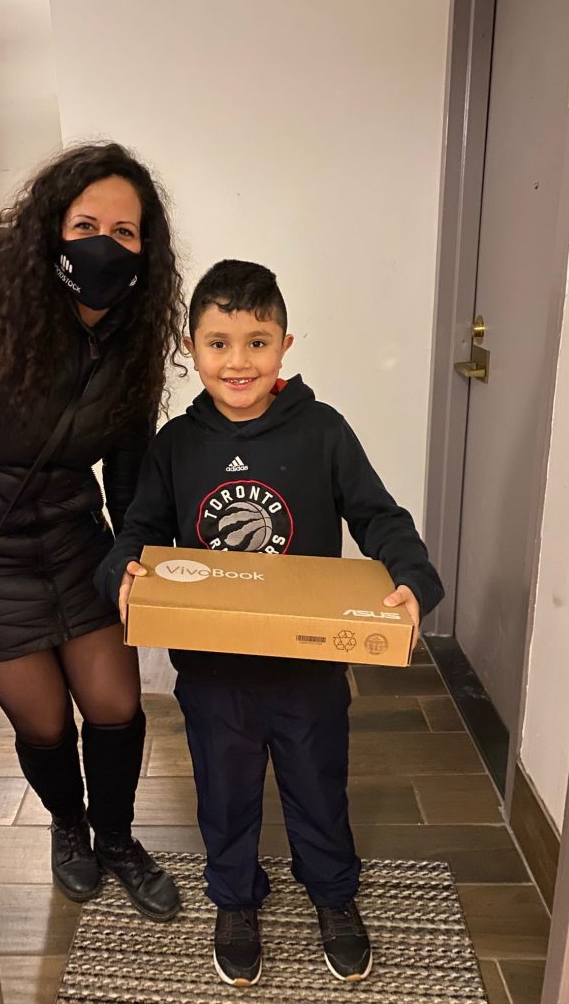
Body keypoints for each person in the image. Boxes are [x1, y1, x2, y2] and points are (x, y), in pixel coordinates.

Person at [95, 260, 445, 984]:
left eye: (257, 342)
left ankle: (334, 895)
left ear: (285, 345)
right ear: (192, 347)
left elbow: (379, 516)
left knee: (318, 787)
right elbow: (141, 530)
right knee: (224, 795)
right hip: (213, 672)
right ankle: (234, 900)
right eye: (219, 343)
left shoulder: (323, 431)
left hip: (307, 669)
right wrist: (122, 568)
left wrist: (411, 577)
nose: (238, 361)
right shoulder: (176, 444)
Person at [0, 142, 184, 921]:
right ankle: (69, 827)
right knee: (46, 722)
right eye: (86, 225)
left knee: (116, 705)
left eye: (124, 232)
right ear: (50, 228)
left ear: (146, 249)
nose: (104, 245)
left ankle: (118, 839)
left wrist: (135, 561)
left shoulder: (134, 337)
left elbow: (127, 474)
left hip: (72, 538)